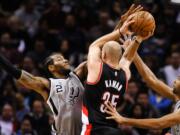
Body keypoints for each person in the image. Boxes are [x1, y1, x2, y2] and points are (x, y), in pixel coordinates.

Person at [81, 8, 153, 135]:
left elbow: (94, 45)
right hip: (114, 130)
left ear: (103, 55)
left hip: (94, 129)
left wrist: (121, 31)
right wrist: (139, 39)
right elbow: (127, 58)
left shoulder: (97, 69)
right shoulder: (124, 74)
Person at [104, 34, 180, 135]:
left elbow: (159, 123)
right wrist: (133, 52)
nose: (174, 80)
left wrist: (124, 120)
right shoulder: (177, 97)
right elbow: (151, 80)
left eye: (179, 79)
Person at [0, 52, 86, 135]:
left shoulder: (77, 75)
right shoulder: (49, 84)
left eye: (64, 58)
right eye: (59, 59)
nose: (66, 60)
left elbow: (95, 58)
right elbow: (23, 77)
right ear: (51, 67)